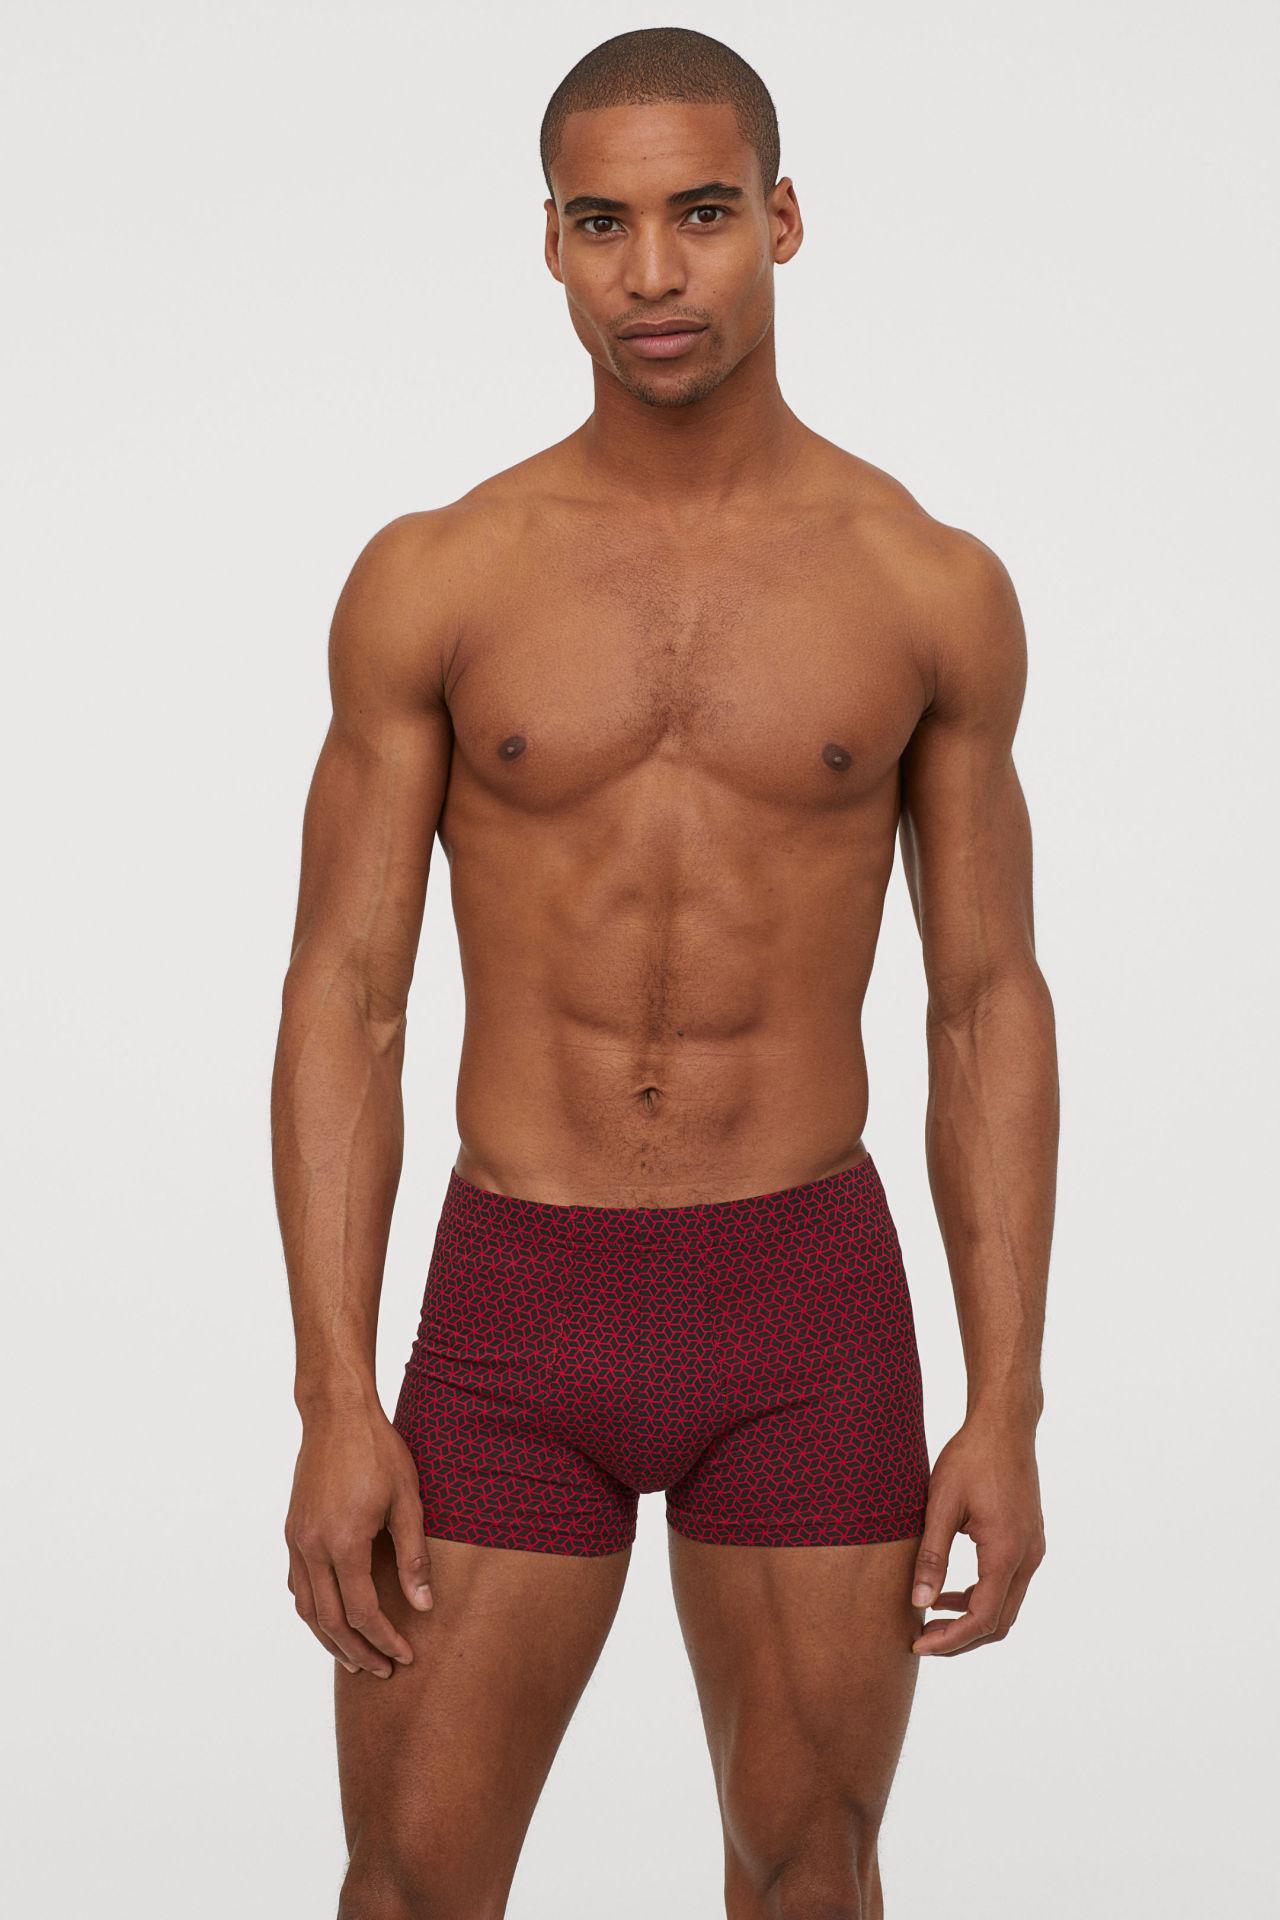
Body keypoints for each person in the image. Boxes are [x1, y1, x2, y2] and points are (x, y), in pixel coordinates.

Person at [271, 25, 1057, 1920]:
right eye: (601, 223)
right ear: (548, 240)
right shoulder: (439, 575)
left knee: (813, 1874)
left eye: (700, 215)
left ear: (780, 219)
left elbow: (984, 1005)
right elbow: (346, 998)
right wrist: (331, 1399)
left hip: (806, 1308)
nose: (651, 274)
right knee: (409, 1885)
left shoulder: (924, 582)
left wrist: (1008, 1403)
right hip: (517, 1305)